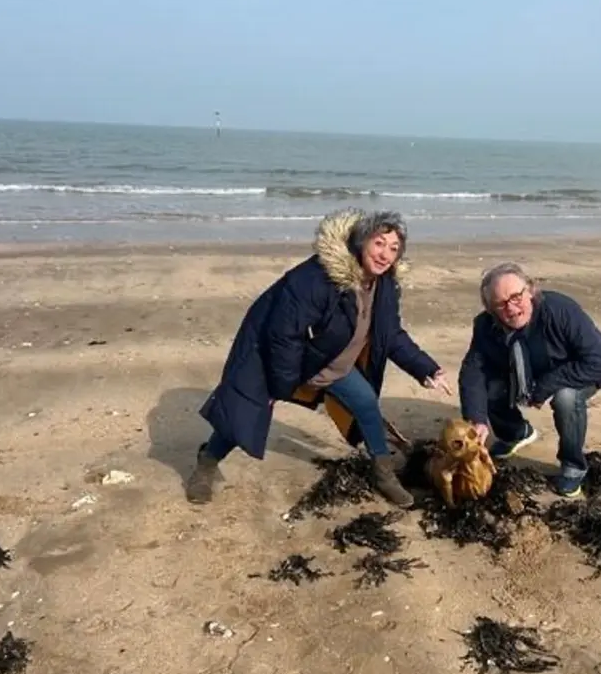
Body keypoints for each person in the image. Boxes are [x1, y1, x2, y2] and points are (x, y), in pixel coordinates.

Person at [186, 207, 453, 506]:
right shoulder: (315, 278)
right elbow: (282, 335)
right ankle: (206, 462)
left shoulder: (385, 285)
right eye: (379, 243)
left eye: (394, 248)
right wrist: (279, 387)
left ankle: (382, 473)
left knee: (365, 403)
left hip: (330, 361)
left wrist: (427, 368)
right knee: (246, 415)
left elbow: (391, 335)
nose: (385, 255)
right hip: (280, 358)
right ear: (360, 240)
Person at [457, 262, 601, 498]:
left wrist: (544, 386)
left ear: (530, 290)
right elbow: (473, 373)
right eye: (500, 304)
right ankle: (515, 433)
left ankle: (573, 466)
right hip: (529, 368)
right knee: (491, 388)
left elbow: (597, 362)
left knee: (565, 398)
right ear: (490, 308)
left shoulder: (560, 310)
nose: (511, 309)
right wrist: (477, 420)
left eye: (516, 297)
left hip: (583, 365)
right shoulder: (485, 326)